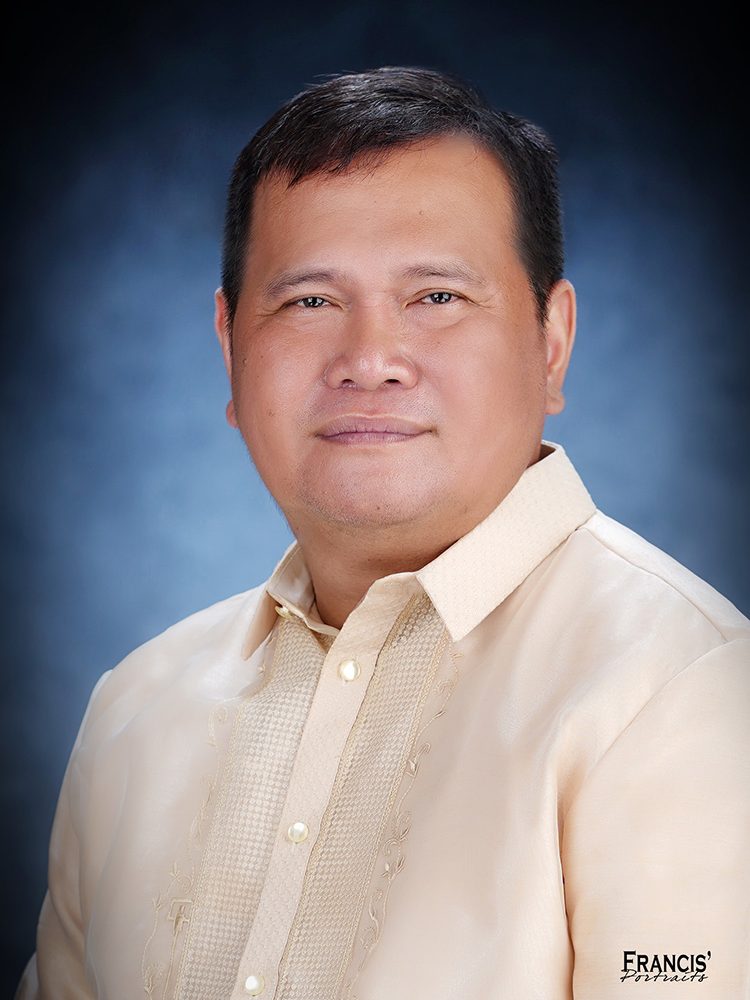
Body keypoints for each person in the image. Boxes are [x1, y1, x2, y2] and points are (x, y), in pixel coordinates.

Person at [17, 66, 749, 1000]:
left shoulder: (680, 689)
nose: (370, 361)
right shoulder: (136, 710)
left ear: (552, 342)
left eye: (437, 296)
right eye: (310, 301)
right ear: (229, 347)